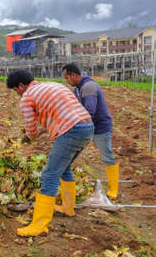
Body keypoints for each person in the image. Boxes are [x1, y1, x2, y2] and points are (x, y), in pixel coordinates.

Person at [7, 70, 93, 237]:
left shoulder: (27, 97)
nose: (17, 94)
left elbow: (30, 129)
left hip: (71, 130)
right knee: (64, 167)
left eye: (15, 90)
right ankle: (68, 208)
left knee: (49, 175)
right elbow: (60, 114)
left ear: (21, 86)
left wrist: (28, 137)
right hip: (87, 127)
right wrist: (39, 131)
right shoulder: (52, 85)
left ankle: (39, 225)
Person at [62, 63, 119, 200]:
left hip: (100, 127)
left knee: (107, 155)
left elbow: (89, 112)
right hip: (89, 126)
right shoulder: (79, 87)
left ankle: (113, 190)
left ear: (73, 75)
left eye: (66, 77)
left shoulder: (88, 87)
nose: (66, 81)